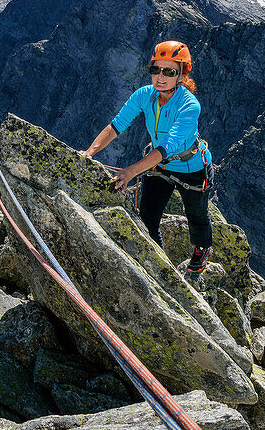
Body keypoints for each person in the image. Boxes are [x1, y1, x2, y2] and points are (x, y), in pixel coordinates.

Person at [80, 41, 214, 275]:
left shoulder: (189, 105)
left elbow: (167, 147)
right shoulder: (145, 95)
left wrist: (130, 172)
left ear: (181, 74)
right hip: (161, 166)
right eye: (156, 70)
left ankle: (202, 249)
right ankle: (160, 268)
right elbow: (116, 125)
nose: (160, 77)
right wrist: (90, 152)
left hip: (192, 168)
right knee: (148, 218)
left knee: (197, 216)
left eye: (169, 71)